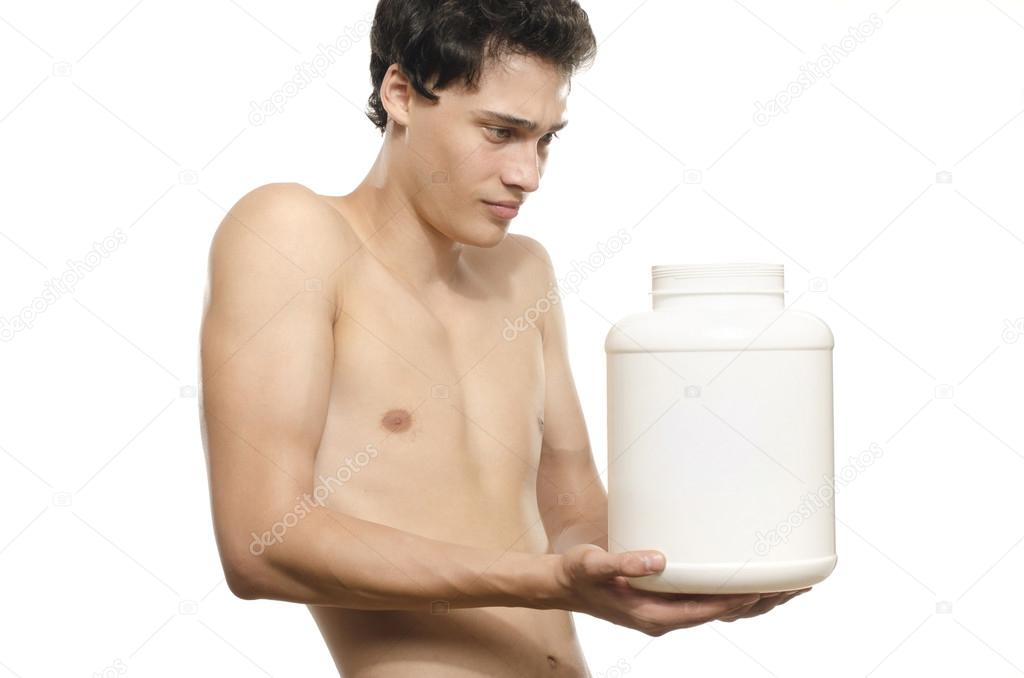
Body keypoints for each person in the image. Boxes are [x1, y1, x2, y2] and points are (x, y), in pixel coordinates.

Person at [199, 1, 809, 675]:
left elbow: (574, 516)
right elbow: (261, 544)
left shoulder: (524, 273)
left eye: (545, 140)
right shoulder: (291, 232)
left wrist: (703, 564)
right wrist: (547, 581)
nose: (528, 175)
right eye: (500, 132)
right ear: (401, 94)